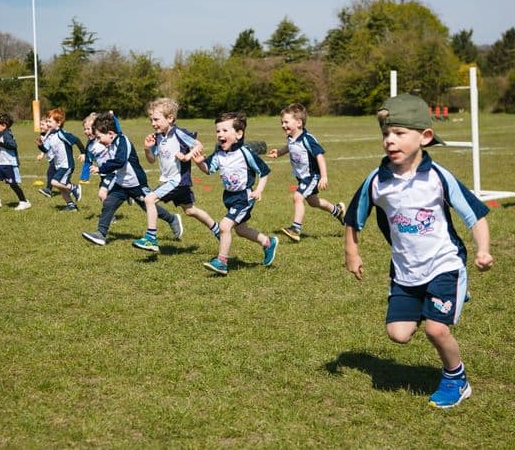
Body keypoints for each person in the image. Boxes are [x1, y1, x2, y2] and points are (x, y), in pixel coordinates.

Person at [344, 94, 493, 408]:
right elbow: (354, 218)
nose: (390, 140)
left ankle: (456, 378)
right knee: (398, 334)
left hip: (444, 263)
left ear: (425, 137)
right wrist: (352, 253)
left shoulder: (438, 177)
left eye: (399, 133)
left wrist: (483, 249)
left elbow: (474, 215)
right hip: (405, 271)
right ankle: (441, 300)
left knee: (436, 330)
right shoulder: (377, 180)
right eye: (386, 133)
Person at [191, 111, 278, 275]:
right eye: (218, 131)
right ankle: (267, 242)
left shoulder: (246, 153)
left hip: (244, 197)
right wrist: (199, 163)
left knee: (224, 226)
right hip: (229, 197)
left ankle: (222, 262)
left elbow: (264, 172)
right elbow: (208, 169)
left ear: (239, 134)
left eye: (224, 131)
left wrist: (258, 190)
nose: (220, 135)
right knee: (241, 230)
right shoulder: (219, 153)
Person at [132, 98, 220, 252]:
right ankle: (217, 229)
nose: (153, 123)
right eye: (151, 120)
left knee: (149, 199)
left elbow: (198, 145)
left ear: (170, 118)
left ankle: (150, 238)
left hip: (177, 180)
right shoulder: (158, 137)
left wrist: (187, 156)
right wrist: (147, 149)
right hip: (172, 181)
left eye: (156, 119)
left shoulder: (179, 133)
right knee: (190, 210)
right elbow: (152, 160)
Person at [81, 113, 183, 246]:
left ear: (111, 133)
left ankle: (172, 219)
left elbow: (120, 161)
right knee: (109, 204)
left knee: (148, 206)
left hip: (137, 185)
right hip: (121, 184)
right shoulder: (110, 143)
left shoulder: (123, 141)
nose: (99, 141)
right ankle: (101, 234)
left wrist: (101, 169)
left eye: (100, 137)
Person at [267, 103, 345, 242]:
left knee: (297, 197)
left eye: (286, 122)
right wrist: (279, 152)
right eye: (282, 122)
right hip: (302, 177)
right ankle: (337, 210)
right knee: (314, 202)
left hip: (311, 176)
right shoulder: (291, 137)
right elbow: (290, 147)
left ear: (298, 122)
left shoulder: (308, 139)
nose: (283, 125)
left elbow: (320, 156)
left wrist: (324, 176)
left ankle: (295, 229)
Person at [36, 108, 85, 212]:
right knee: (61, 187)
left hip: (67, 164)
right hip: (59, 165)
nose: (47, 123)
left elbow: (76, 140)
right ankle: (71, 206)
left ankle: (74, 188)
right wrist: (40, 146)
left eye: (50, 121)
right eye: (47, 121)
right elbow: (46, 149)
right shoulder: (50, 135)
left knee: (54, 182)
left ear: (58, 123)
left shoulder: (62, 134)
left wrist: (83, 152)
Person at [0, 112, 31, 210]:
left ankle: (24, 201)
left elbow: (13, 145)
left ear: (4, 126)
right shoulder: (2, 134)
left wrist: (1, 144)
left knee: (13, 184)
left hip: (10, 164)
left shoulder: (7, 135)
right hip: (2, 164)